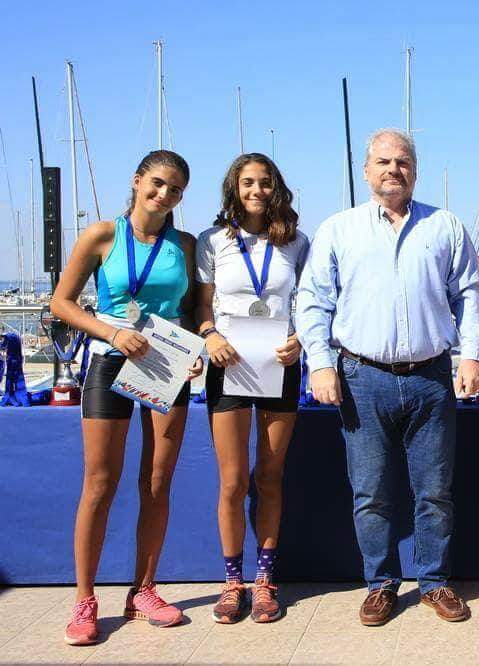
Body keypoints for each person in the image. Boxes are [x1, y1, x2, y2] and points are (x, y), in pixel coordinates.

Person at [296, 128, 479, 625]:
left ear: (415, 171)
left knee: (435, 492)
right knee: (372, 493)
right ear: (366, 171)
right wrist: (320, 362)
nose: (393, 170)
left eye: (402, 162)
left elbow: (470, 295)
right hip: (363, 378)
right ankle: (380, 584)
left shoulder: (445, 226)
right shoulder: (338, 229)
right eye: (383, 161)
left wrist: (472, 356)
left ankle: (434, 582)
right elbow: (312, 302)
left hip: (431, 378)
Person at [52, 150, 203, 645]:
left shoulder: (184, 244)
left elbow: (191, 309)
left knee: (157, 482)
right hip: (110, 358)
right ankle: (84, 600)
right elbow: (62, 303)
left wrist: (195, 349)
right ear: (138, 181)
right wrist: (113, 333)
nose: (164, 194)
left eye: (175, 189)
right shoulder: (102, 235)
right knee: (100, 482)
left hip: (167, 365)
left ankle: (144, 591)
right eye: (157, 183)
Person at [195, 153, 310, 624]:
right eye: (247, 183)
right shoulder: (212, 241)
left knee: (269, 476)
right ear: (234, 189)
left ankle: (264, 581)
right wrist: (209, 335)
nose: (256, 191)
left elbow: (310, 303)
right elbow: (201, 306)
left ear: (275, 187)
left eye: (264, 182)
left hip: (279, 364)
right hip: (229, 366)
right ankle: (232, 582)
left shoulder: (297, 241)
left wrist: (302, 339)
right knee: (232, 480)